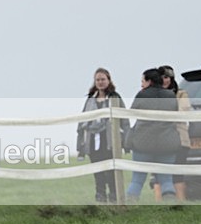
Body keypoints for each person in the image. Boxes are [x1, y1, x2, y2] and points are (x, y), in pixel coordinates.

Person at [125, 68, 181, 201]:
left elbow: (132, 112)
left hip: (143, 143)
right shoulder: (170, 95)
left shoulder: (142, 94)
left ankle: (129, 206)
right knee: (167, 179)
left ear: (149, 81)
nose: (141, 84)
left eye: (143, 81)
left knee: (137, 180)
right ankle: (171, 206)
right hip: (167, 142)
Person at [76, 68, 130, 202]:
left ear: (108, 80)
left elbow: (124, 120)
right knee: (97, 172)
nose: (100, 82)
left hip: (110, 141)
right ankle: (100, 197)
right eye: (97, 80)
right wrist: (80, 146)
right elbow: (82, 123)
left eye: (103, 79)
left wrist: (127, 142)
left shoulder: (115, 98)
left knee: (111, 172)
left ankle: (114, 197)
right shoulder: (90, 100)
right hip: (93, 141)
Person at [157, 65, 191, 201]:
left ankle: (180, 203)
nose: (164, 80)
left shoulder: (181, 94)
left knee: (177, 174)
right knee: (159, 175)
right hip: (159, 140)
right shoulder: (154, 95)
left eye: (166, 77)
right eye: (161, 78)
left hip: (179, 139)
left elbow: (183, 111)